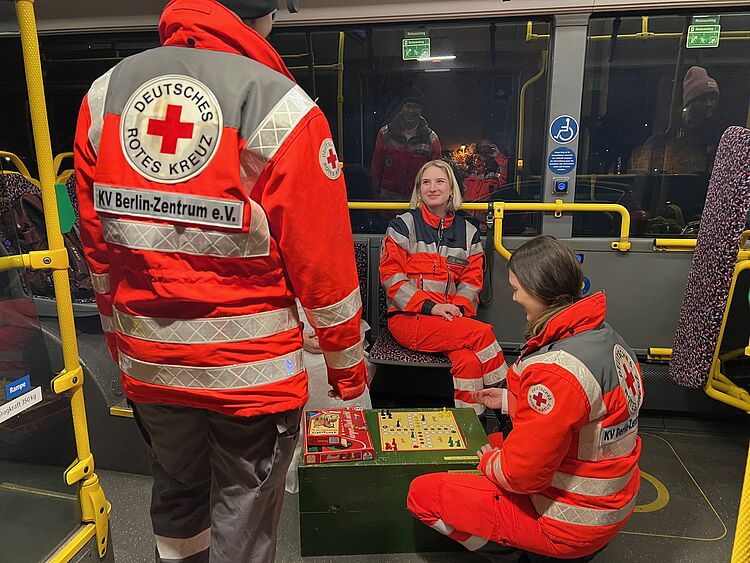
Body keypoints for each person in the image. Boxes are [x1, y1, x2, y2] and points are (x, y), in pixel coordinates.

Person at [73, 1, 368, 562]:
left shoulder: (103, 96)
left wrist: (119, 346)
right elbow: (323, 265)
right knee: (244, 509)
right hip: (250, 377)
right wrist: (347, 371)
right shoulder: (279, 105)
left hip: (152, 366)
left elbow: (99, 252)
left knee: (178, 493)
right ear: (264, 18)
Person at [406, 235, 644, 561]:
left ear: (539, 289)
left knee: (423, 494)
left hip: (571, 521)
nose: (515, 297)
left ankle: (513, 553)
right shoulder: (604, 337)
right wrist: (508, 400)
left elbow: (522, 475)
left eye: (518, 289)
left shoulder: (558, 371)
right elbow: (578, 416)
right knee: (490, 441)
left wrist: (490, 462)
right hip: (612, 500)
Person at [379, 160, 507, 415]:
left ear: (451, 189)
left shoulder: (469, 232)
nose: (432, 188)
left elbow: (472, 282)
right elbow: (391, 278)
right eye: (426, 182)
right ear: (418, 189)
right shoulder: (403, 226)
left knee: (469, 362)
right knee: (482, 334)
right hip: (409, 318)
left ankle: (475, 428)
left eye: (440, 181)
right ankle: (511, 407)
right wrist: (432, 307)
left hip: (451, 321)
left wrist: (456, 309)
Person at [629, 66, 724, 230]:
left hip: (704, 211)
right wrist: (639, 210)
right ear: (690, 103)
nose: (709, 104)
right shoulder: (663, 138)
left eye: (713, 99)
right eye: (703, 99)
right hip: (664, 212)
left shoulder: (721, 137)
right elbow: (643, 180)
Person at [371, 88, 442, 200]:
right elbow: (376, 168)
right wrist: (374, 195)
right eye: (408, 106)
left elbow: (437, 174)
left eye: (415, 107)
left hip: (417, 203)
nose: (411, 111)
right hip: (386, 204)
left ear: (420, 110)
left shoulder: (431, 139)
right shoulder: (385, 134)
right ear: (401, 109)